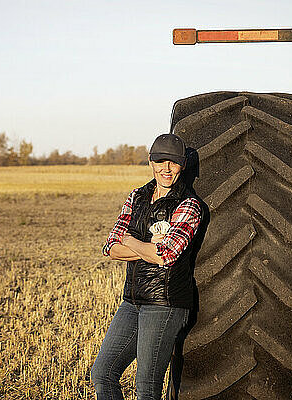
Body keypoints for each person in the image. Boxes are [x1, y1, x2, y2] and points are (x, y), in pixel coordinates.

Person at [91, 133, 203, 400]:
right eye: (160, 161)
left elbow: (165, 256)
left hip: (165, 304)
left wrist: (131, 241)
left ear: (182, 166)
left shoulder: (189, 205)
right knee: (103, 373)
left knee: (147, 388)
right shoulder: (137, 196)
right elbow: (111, 247)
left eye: (173, 163)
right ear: (151, 162)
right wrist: (145, 245)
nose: (166, 169)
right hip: (132, 301)